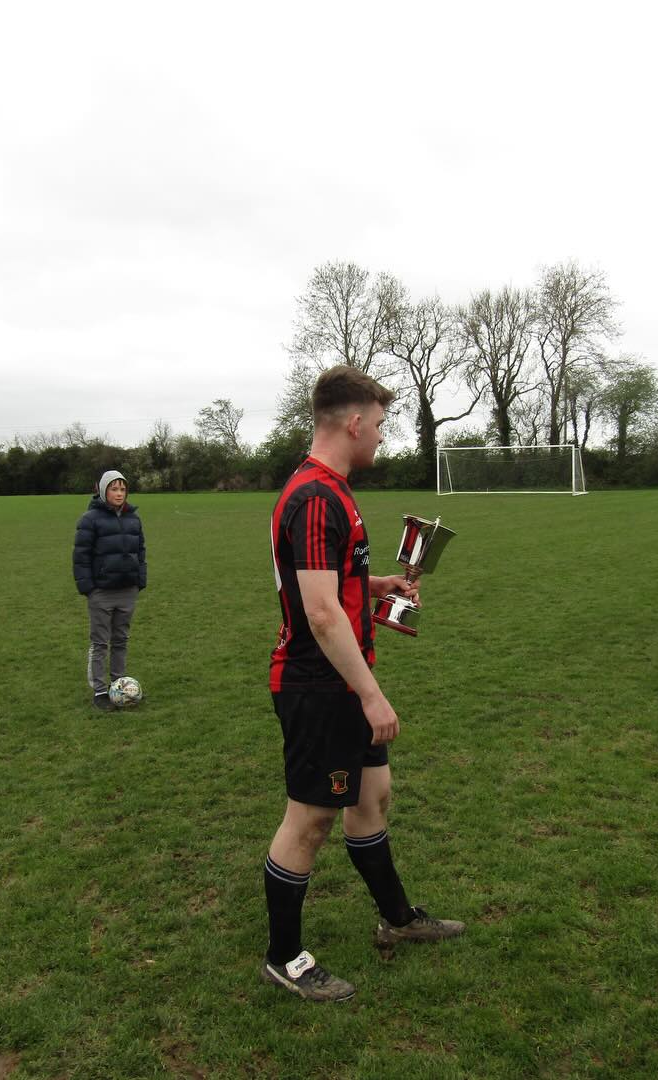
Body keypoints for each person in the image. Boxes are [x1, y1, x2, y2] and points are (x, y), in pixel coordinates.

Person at [261, 365, 463, 1002]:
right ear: (352, 423)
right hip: (318, 686)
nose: (380, 436)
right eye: (377, 425)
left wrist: (376, 587)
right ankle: (284, 958)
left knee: (372, 794)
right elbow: (319, 612)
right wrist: (370, 694)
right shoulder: (317, 497)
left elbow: (326, 588)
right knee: (312, 818)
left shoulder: (328, 490)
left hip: (340, 681)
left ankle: (397, 920)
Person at [72, 470, 147, 710]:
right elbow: (80, 557)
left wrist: (139, 580)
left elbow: (141, 552)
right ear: (103, 491)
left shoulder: (134, 519)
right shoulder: (89, 520)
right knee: (100, 643)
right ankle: (100, 691)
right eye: (114, 489)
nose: (119, 494)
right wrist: (89, 589)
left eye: (122, 489)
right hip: (101, 592)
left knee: (121, 640)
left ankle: (119, 684)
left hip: (127, 590)